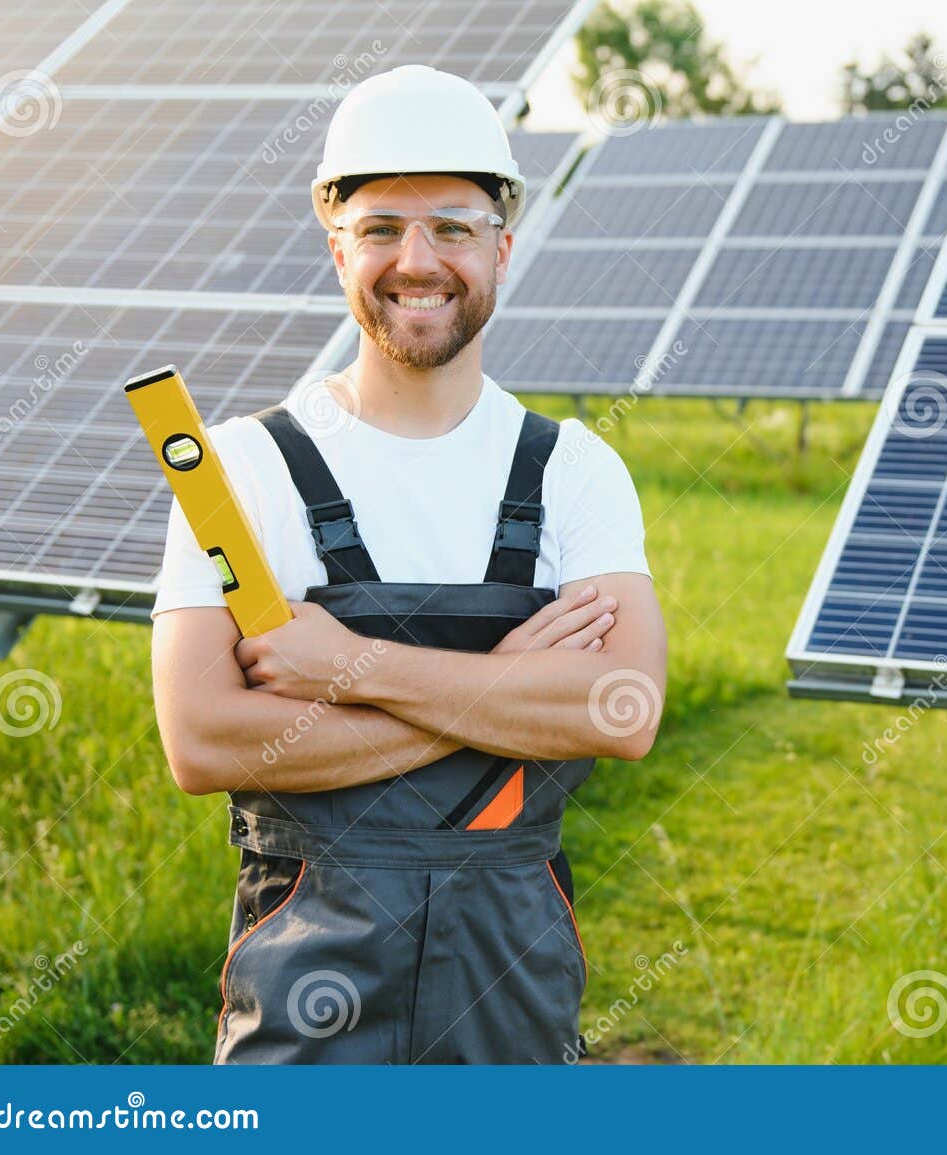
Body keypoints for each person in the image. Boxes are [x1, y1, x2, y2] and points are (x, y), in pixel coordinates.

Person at [147, 65, 667, 1064]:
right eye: (382, 226)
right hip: (301, 1007)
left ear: (503, 245)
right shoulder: (236, 473)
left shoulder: (574, 471)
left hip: (510, 999)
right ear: (334, 239)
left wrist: (348, 670)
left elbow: (621, 713)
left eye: (453, 228)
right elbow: (204, 743)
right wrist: (514, 696)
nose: (416, 261)